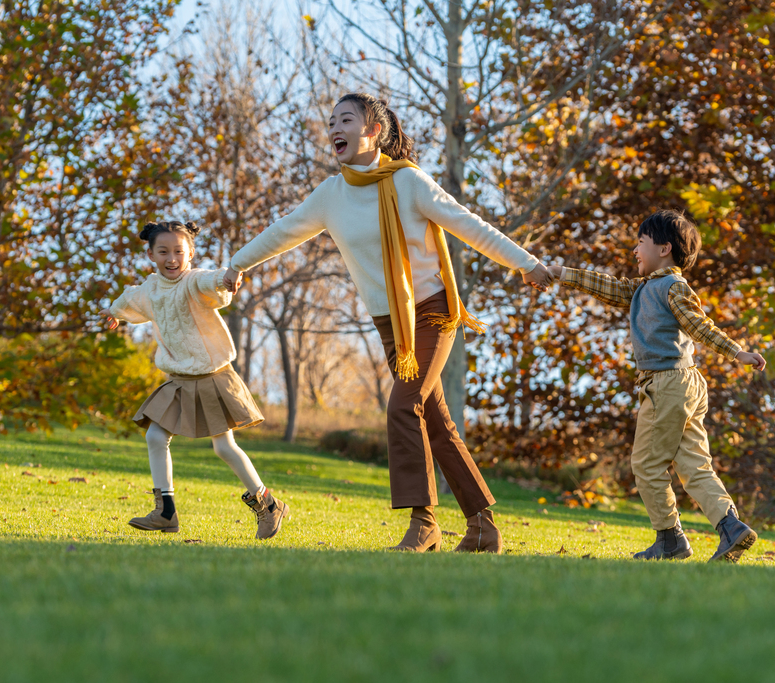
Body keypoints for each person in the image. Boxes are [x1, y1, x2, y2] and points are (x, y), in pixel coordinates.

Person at [224, 93, 553, 553]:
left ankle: (425, 522)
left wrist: (525, 262)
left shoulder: (408, 183)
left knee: (402, 407)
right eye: (331, 121)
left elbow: (467, 223)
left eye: (346, 119)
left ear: (373, 131)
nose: (335, 127)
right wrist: (237, 264)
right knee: (435, 421)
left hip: (433, 312)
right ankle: (483, 527)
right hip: (390, 324)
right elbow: (283, 230)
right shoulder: (331, 196)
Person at [546, 209, 765, 562]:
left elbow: (698, 325)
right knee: (695, 465)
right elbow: (608, 286)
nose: (635, 250)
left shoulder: (672, 287)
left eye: (640, 242)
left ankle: (669, 539)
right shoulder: (643, 288)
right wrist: (560, 274)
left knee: (647, 464)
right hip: (684, 384)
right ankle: (731, 527)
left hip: (667, 384)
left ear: (664, 249)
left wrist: (736, 352)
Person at [101, 220, 288, 540]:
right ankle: (166, 512)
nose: (171, 258)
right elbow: (129, 300)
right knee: (155, 437)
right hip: (178, 379)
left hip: (212, 376)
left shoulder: (193, 281)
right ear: (150, 254)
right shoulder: (150, 288)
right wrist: (115, 315)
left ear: (190, 254)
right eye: (163, 252)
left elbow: (211, 280)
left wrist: (227, 279)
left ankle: (267, 504)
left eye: (178, 251)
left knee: (224, 448)